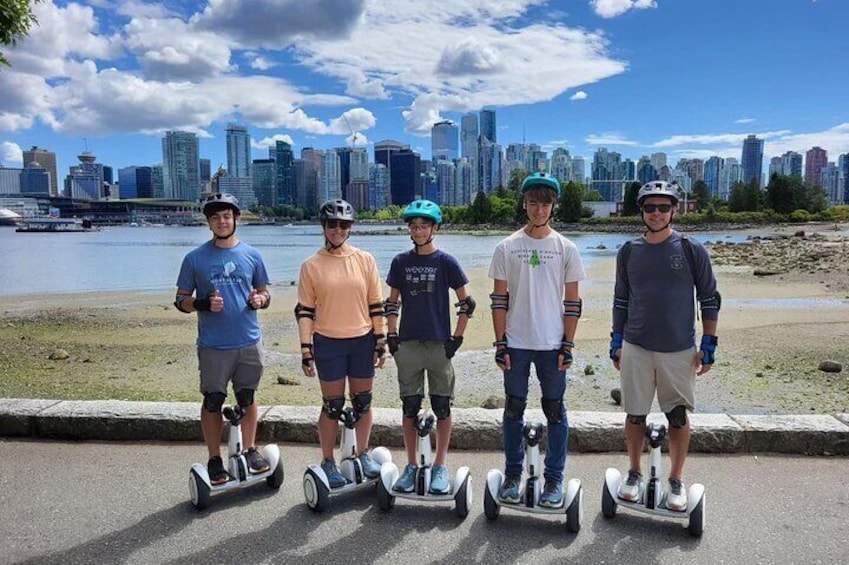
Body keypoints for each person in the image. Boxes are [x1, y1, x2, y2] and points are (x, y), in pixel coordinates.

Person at [610, 180, 720, 512]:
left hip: (678, 349)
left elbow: (709, 298)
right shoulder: (629, 251)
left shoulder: (690, 249)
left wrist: (709, 343)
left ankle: (676, 478)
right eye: (649, 208)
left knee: (677, 415)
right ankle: (633, 473)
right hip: (637, 346)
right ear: (641, 211)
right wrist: (616, 341)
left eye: (663, 207)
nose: (656, 213)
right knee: (635, 414)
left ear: (674, 210)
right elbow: (620, 301)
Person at [488, 172, 585, 508]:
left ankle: (554, 478)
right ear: (524, 204)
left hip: (551, 344)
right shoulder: (507, 247)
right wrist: (499, 343)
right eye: (533, 202)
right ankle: (513, 474)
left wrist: (568, 344)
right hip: (516, 341)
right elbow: (499, 300)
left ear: (553, 205)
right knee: (513, 409)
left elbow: (573, 302)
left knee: (555, 411)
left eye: (545, 203)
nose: (539, 209)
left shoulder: (566, 248)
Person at [174, 193, 272, 485]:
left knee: (248, 396)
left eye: (227, 216)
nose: (222, 221)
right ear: (208, 223)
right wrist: (202, 304)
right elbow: (180, 301)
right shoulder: (194, 259)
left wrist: (260, 299)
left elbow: (265, 293)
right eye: (215, 217)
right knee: (214, 399)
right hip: (214, 344)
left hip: (248, 340)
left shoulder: (252, 255)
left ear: (236, 219)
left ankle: (251, 448)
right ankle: (215, 457)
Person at [295, 199, 387, 489]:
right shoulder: (311, 266)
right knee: (332, 406)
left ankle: (362, 453)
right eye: (332, 224)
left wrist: (381, 339)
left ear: (350, 228)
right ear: (324, 227)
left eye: (344, 224)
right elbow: (305, 311)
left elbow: (376, 303)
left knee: (363, 403)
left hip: (362, 340)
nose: (338, 229)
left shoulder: (365, 260)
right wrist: (305, 349)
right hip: (328, 342)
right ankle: (328, 460)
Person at [384, 199, 474, 495]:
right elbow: (392, 302)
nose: (418, 230)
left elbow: (467, 302)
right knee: (409, 407)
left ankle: (440, 465)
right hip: (408, 345)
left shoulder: (446, 262)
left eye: (424, 226)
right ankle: (411, 465)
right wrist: (391, 336)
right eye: (414, 226)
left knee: (442, 407)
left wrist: (457, 339)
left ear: (435, 228)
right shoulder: (400, 262)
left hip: (439, 345)